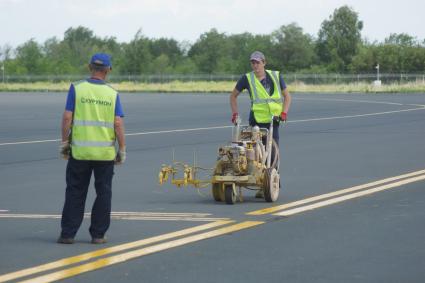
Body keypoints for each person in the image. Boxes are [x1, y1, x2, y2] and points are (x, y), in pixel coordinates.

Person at [57, 53, 126, 244]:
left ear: (90, 68)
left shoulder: (77, 89)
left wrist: (64, 143)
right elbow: (118, 123)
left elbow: (67, 117)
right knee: (103, 192)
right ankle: (98, 235)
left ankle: (68, 234)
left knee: (75, 192)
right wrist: (122, 149)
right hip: (104, 154)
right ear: (108, 70)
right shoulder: (112, 94)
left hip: (79, 153)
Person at [229, 51, 291, 197]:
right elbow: (233, 96)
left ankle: (271, 183)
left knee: (273, 152)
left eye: (258, 62)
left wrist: (284, 113)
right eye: (253, 62)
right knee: (255, 153)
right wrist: (235, 113)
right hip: (256, 120)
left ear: (264, 62)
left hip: (273, 121)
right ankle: (259, 183)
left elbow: (287, 96)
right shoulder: (247, 78)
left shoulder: (276, 76)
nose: (255, 65)